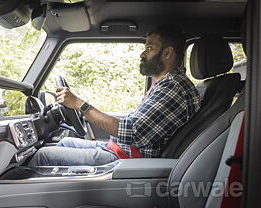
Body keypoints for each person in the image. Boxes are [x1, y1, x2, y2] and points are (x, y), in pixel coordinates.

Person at [28, 25, 201, 167]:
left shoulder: (174, 87)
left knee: (43, 156)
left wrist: (79, 104)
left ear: (167, 53)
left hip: (129, 161)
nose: (142, 54)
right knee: (64, 143)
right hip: (120, 150)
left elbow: (133, 132)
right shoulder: (166, 83)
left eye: (149, 48)